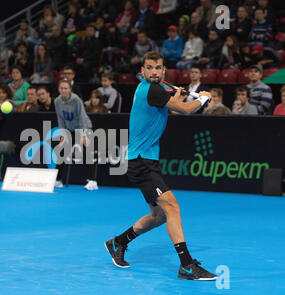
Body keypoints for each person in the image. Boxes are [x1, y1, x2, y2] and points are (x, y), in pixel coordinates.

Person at [105, 51, 217, 280]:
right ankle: (187, 266)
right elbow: (185, 109)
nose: (154, 72)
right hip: (140, 161)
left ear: (163, 70)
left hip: (146, 160)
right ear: (143, 71)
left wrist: (177, 94)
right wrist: (202, 98)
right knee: (173, 207)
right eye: (150, 68)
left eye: (158, 68)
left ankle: (118, 243)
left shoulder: (154, 89)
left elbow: (173, 103)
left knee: (159, 216)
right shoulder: (152, 89)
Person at [54, 79, 99, 191]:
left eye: (65, 88)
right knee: (61, 151)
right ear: (58, 89)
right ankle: (58, 180)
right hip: (69, 129)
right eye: (61, 88)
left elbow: (82, 117)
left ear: (70, 89)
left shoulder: (76, 100)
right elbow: (60, 119)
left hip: (83, 127)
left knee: (86, 152)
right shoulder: (57, 101)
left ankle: (92, 181)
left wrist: (83, 136)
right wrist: (63, 134)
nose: (63, 90)